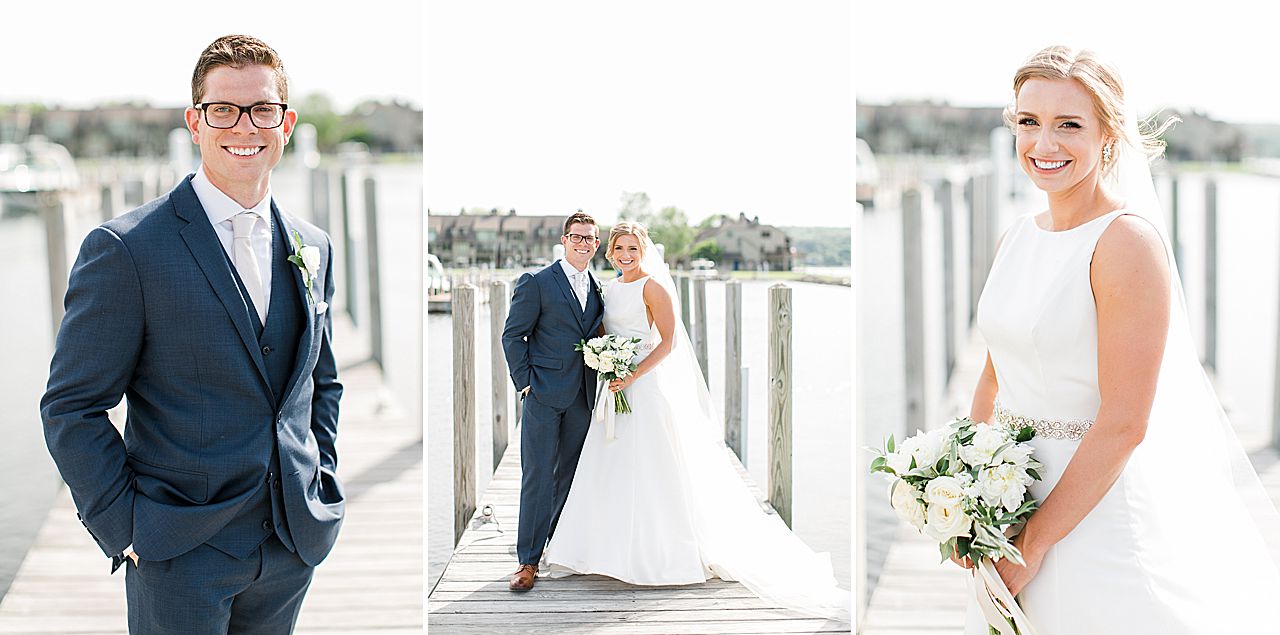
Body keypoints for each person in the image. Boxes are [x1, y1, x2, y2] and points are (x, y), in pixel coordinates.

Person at [961, 45, 1280, 633]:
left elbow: (1126, 420)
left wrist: (1034, 543)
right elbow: (992, 375)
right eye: (1029, 122)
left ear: (1108, 134)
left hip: (1091, 511)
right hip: (1010, 501)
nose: (1044, 144)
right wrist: (968, 503)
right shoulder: (1017, 238)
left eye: (1069, 125)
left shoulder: (1125, 243)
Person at [40, 35, 343, 634]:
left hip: (291, 548)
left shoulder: (314, 245)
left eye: (262, 110)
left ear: (286, 124)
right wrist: (124, 527)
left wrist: (320, 475)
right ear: (195, 121)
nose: (244, 126)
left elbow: (321, 382)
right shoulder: (127, 250)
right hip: (178, 553)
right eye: (223, 110)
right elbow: (72, 408)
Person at [542, 221, 849, 621]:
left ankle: (660, 552)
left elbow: (666, 342)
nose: (626, 255)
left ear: (643, 250)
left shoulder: (653, 287)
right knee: (609, 465)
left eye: (633, 249)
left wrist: (631, 374)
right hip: (613, 385)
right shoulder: (610, 288)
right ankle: (604, 550)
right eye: (620, 249)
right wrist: (604, 360)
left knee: (652, 469)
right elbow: (602, 332)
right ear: (610, 252)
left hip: (643, 387)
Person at [500, 211, 605, 591]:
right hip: (543, 394)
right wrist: (526, 383)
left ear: (596, 244)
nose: (582, 244)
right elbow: (513, 335)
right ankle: (527, 560)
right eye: (576, 237)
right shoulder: (538, 282)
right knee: (537, 476)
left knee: (570, 476)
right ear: (564, 240)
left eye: (589, 238)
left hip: (581, 396)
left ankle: (557, 546)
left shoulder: (597, 287)